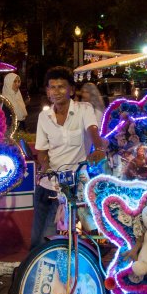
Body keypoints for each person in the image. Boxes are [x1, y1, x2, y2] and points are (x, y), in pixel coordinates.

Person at [32, 66, 107, 249]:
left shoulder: (84, 109)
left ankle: (83, 268)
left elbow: (92, 129)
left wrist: (98, 147)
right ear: (48, 91)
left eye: (61, 87)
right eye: (52, 87)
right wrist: (45, 166)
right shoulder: (44, 116)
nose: (56, 92)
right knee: (38, 240)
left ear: (71, 90)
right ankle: (36, 273)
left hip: (76, 183)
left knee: (86, 235)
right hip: (49, 184)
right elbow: (41, 150)